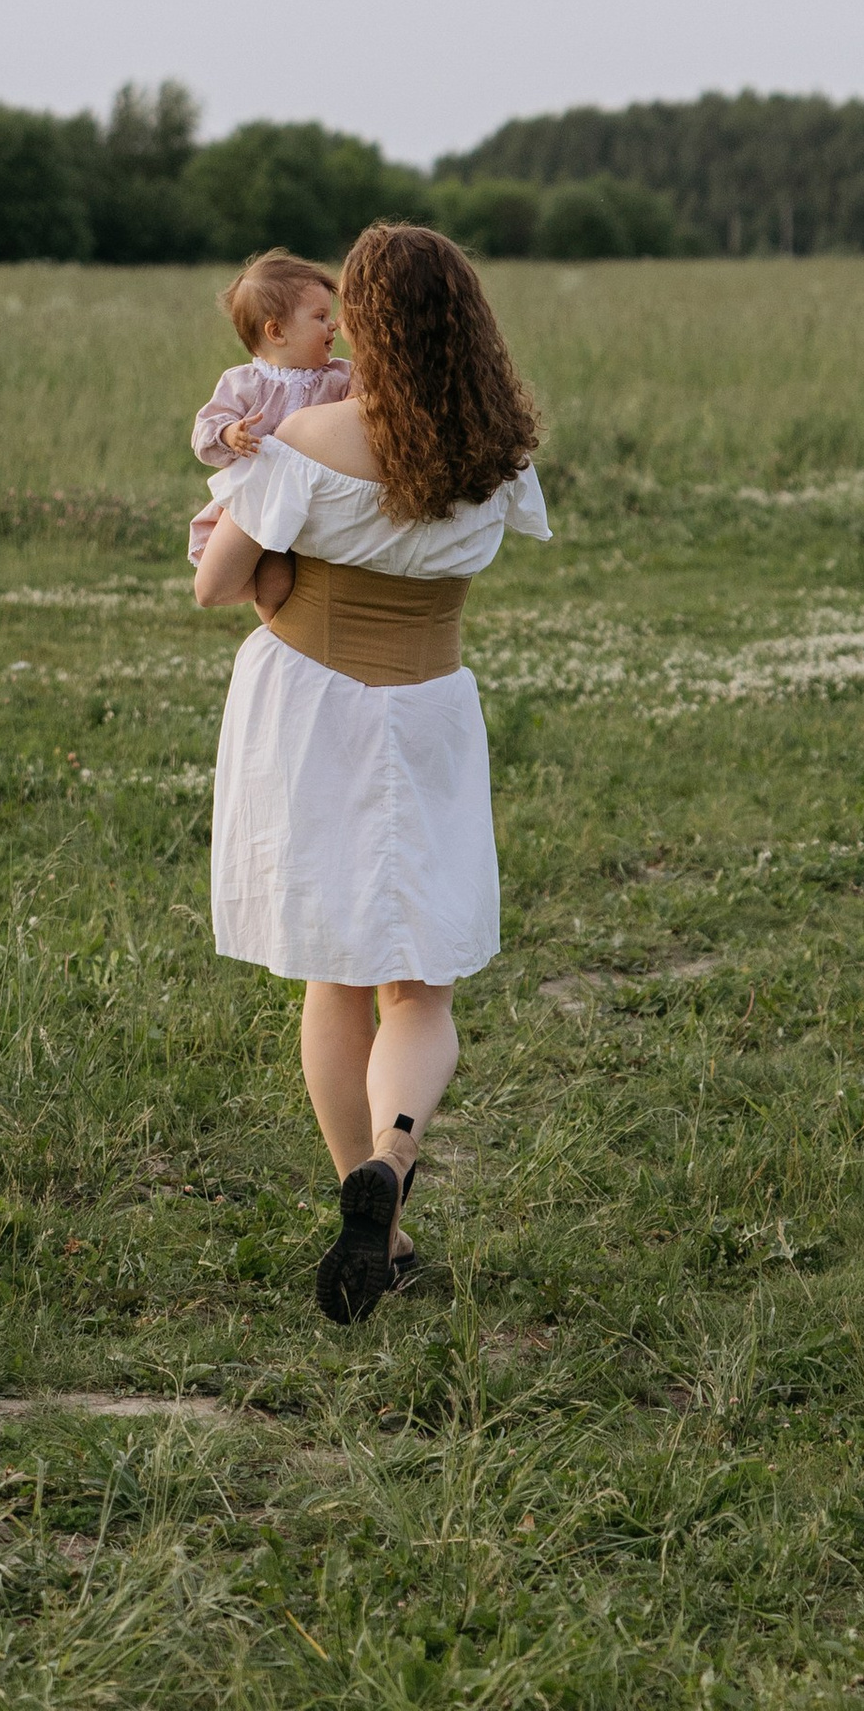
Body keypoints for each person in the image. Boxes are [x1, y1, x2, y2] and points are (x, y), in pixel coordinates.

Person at [192, 220, 550, 1322]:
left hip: (310, 709)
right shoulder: (498, 455)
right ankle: (391, 1162)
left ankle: (376, 1221)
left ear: (369, 325)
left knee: (334, 973)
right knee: (418, 982)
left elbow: (214, 585)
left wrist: (270, 561)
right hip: (428, 712)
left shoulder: (302, 442)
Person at [184, 248, 352, 575]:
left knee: (299, 578)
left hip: (313, 505)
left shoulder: (339, 377)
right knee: (272, 581)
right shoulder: (244, 383)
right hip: (256, 506)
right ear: (276, 332)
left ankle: (293, 621)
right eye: (319, 317)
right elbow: (205, 429)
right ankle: (276, 624)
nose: (332, 326)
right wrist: (229, 434)